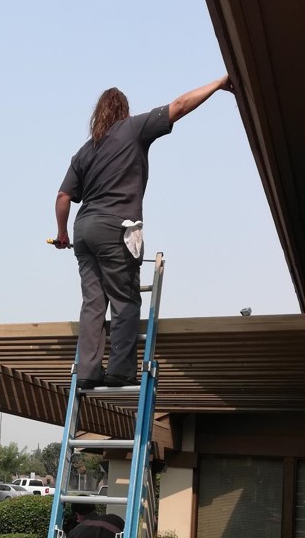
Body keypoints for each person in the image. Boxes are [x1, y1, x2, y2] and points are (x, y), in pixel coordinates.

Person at [53, 76, 232, 388]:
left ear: (98, 114)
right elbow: (178, 106)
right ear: (123, 111)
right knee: (125, 301)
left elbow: (63, 197)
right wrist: (217, 85)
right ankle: (120, 370)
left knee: (93, 304)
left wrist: (62, 233)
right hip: (115, 227)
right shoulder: (133, 128)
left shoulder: (84, 151)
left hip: (83, 230)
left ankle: (86, 372)